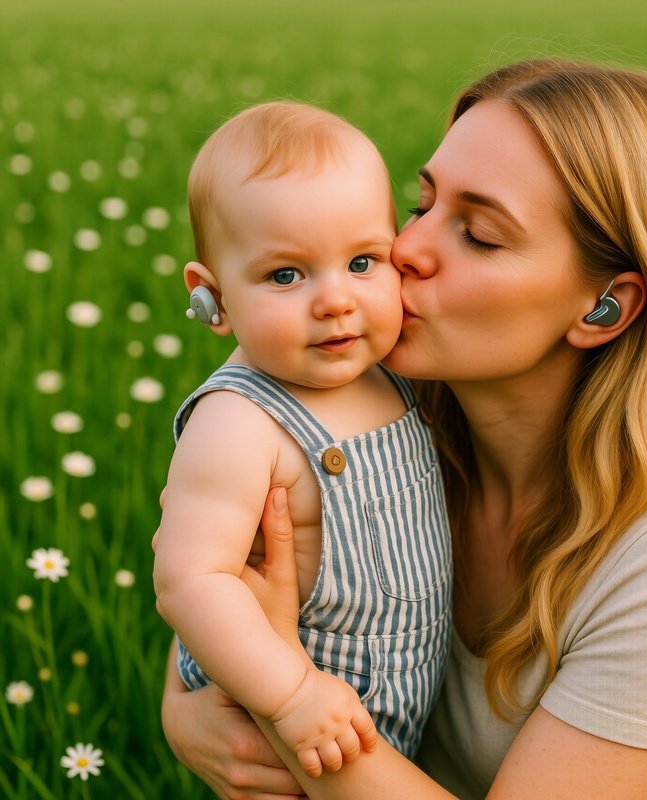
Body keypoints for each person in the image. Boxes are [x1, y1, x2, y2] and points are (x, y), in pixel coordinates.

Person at [160, 59, 647, 799]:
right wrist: (187, 716)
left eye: (480, 236)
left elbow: (266, 644)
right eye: (421, 204)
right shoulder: (389, 424)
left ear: (604, 308)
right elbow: (211, 585)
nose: (405, 250)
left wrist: (284, 702)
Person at [153, 101, 452, 780]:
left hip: (396, 703)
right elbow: (190, 579)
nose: (335, 300)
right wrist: (289, 695)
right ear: (213, 297)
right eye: (286, 275)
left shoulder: (391, 373)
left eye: (363, 261)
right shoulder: (239, 422)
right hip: (294, 721)